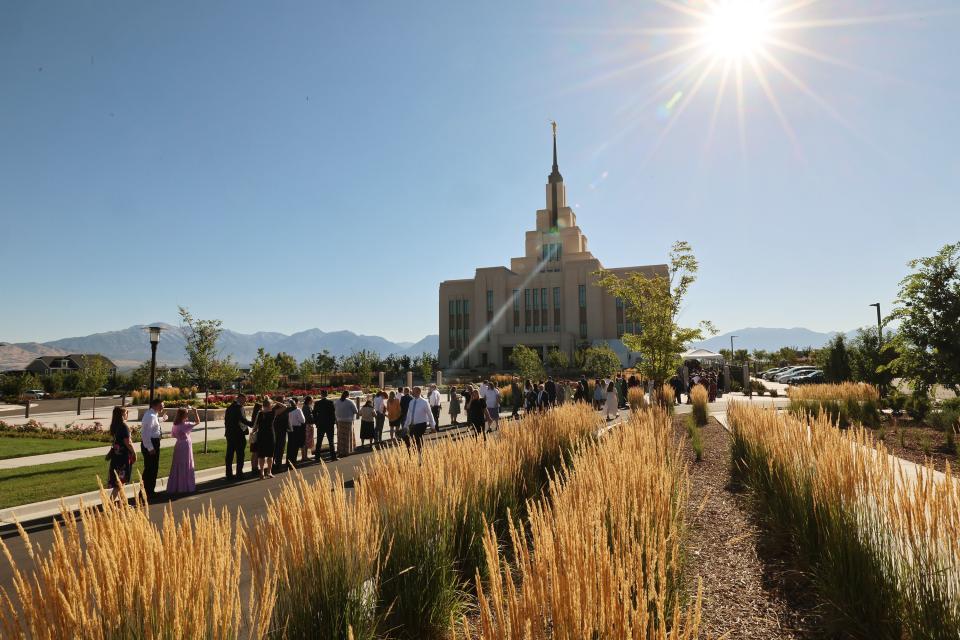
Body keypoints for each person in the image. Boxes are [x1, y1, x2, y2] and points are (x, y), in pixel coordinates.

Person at [167, 407, 200, 495]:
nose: (187, 414)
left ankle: (176, 486)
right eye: (186, 413)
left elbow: (173, 435)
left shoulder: (175, 424)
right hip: (185, 445)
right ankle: (186, 486)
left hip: (178, 445)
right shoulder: (186, 425)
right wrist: (195, 412)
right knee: (186, 463)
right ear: (183, 415)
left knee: (177, 464)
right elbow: (198, 422)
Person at [107, 406, 136, 503]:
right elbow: (128, 442)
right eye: (126, 413)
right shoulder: (124, 426)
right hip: (123, 457)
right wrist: (134, 452)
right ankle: (111, 504)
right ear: (122, 415)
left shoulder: (115, 426)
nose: (127, 415)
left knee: (119, 482)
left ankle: (123, 503)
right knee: (120, 482)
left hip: (116, 457)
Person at [140, 398, 164, 501]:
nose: (163, 407)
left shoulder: (153, 414)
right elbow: (145, 434)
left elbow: (155, 423)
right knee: (150, 469)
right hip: (151, 444)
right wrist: (150, 448)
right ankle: (145, 492)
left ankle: (150, 491)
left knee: (153, 468)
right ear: (156, 405)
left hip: (154, 443)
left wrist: (163, 419)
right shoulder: (150, 416)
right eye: (161, 405)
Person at [224, 394, 252, 481]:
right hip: (239, 435)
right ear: (240, 399)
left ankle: (229, 474)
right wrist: (252, 424)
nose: (245, 402)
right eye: (244, 400)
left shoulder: (229, 407)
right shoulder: (239, 408)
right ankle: (239, 473)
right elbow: (242, 419)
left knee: (230, 454)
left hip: (229, 434)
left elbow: (226, 421)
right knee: (240, 455)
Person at [403, 386, 436, 451]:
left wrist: (433, 426)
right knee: (411, 439)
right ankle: (414, 452)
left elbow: (430, 414)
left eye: (413, 391)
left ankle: (419, 452)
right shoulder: (411, 402)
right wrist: (405, 425)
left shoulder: (424, 402)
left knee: (417, 437)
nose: (411, 393)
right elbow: (408, 414)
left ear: (418, 392)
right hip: (412, 425)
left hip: (421, 424)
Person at [252, 397, 275, 479]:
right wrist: (274, 401)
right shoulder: (272, 413)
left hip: (261, 435)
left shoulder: (259, 413)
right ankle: (269, 471)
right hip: (270, 435)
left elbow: (255, 426)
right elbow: (284, 407)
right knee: (270, 455)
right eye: (271, 404)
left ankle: (262, 472)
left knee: (261, 455)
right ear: (269, 405)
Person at [313, 390, 337, 461]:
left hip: (320, 424)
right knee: (331, 441)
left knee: (319, 441)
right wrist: (333, 423)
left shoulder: (317, 403)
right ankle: (333, 457)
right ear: (327, 394)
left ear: (321, 395)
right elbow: (333, 414)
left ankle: (317, 457)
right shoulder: (330, 402)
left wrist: (316, 422)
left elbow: (314, 414)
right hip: (329, 424)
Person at [334, 391, 358, 457]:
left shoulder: (337, 401)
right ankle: (347, 451)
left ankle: (340, 451)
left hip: (339, 421)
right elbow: (356, 411)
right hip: (348, 421)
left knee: (341, 437)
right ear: (348, 395)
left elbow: (335, 410)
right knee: (348, 436)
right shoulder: (350, 402)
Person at [286, 398, 306, 469]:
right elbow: (303, 420)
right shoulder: (298, 410)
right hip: (297, 429)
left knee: (290, 446)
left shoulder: (287, 410)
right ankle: (293, 462)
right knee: (295, 446)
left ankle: (288, 462)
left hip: (289, 428)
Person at [272, 400, 290, 473]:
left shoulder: (274, 411)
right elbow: (286, 407)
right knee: (280, 449)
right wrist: (277, 401)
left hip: (276, 432)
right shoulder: (282, 411)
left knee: (275, 449)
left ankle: (273, 465)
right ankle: (278, 466)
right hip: (281, 433)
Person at [302, 395, 316, 462]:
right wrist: (315, 420)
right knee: (307, 441)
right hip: (308, 425)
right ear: (309, 400)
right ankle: (305, 457)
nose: (313, 401)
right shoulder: (307, 407)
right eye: (312, 400)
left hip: (307, 425)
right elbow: (309, 417)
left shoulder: (306, 407)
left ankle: (304, 456)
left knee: (306, 441)